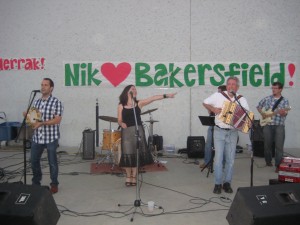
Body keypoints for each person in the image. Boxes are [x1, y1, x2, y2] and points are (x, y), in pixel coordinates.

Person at [117, 85, 176, 186]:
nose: (135, 90)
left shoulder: (139, 103)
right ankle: (128, 176)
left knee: (136, 154)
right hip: (127, 132)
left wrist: (166, 95)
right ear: (127, 91)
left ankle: (134, 177)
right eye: (132, 89)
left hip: (137, 131)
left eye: (135, 89)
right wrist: (121, 123)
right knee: (127, 154)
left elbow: (152, 98)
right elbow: (119, 119)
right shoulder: (121, 105)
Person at [203, 77, 250, 194]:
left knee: (230, 160)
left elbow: (246, 114)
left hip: (233, 133)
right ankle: (218, 184)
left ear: (237, 87)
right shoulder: (218, 95)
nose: (230, 86)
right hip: (219, 131)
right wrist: (213, 109)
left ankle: (227, 183)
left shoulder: (241, 99)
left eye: (233, 84)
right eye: (229, 84)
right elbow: (205, 102)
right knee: (218, 160)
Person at [27, 78, 63, 194]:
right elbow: (34, 119)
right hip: (37, 137)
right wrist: (28, 117)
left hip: (51, 137)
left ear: (51, 88)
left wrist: (42, 123)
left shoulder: (56, 102)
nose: (43, 87)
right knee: (33, 160)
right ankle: (36, 182)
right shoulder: (36, 102)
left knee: (52, 162)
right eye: (42, 85)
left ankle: (54, 184)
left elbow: (57, 120)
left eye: (45, 85)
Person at [256, 82, 290, 173]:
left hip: (279, 125)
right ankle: (268, 161)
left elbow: (285, 113)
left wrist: (283, 112)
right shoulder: (267, 98)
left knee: (279, 146)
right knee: (267, 144)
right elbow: (258, 106)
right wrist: (262, 113)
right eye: (272, 88)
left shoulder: (285, 101)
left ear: (280, 89)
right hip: (267, 125)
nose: (273, 90)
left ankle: (278, 165)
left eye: (275, 88)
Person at [200, 85, 226, 168]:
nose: (218, 92)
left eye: (220, 91)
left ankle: (223, 163)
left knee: (223, 145)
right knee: (209, 144)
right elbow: (206, 105)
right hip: (213, 123)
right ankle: (207, 162)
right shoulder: (214, 98)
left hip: (223, 125)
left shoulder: (227, 100)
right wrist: (211, 109)